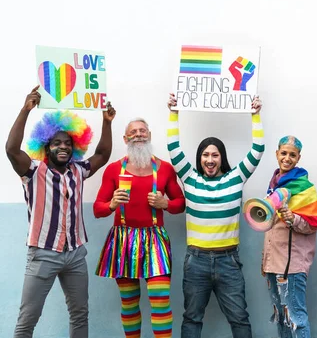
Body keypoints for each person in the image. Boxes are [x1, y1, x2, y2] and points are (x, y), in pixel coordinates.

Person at [5, 86, 115, 338]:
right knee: (27, 319)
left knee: (79, 314)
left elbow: (103, 154)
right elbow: (11, 150)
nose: (63, 147)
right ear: (46, 146)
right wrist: (25, 110)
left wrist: (106, 122)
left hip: (75, 254)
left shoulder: (78, 170)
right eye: (57, 143)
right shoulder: (33, 171)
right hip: (43, 254)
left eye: (68, 143)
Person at [166, 93, 264, 338]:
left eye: (215, 155)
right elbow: (173, 147)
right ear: (200, 158)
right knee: (191, 319)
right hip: (195, 260)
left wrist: (256, 115)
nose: (210, 160)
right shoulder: (189, 178)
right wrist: (174, 112)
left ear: (222, 158)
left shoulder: (236, 178)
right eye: (205, 155)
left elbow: (258, 149)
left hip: (228, 261)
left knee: (240, 319)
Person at [93, 117, 186, 338]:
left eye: (142, 130)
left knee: (161, 300)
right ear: (125, 139)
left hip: (155, 241)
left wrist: (166, 204)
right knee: (129, 303)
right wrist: (112, 204)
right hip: (123, 240)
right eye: (133, 132)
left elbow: (180, 203)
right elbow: (98, 209)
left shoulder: (165, 169)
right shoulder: (114, 170)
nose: (138, 134)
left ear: (150, 135)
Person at [261, 135, 317, 338]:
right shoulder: (273, 186)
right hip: (273, 264)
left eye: (292, 155)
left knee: (296, 318)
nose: (287, 158)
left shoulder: (305, 187)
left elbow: (313, 224)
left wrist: (293, 218)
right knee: (281, 317)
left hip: (292, 267)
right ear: (277, 153)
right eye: (284, 153)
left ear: (298, 158)